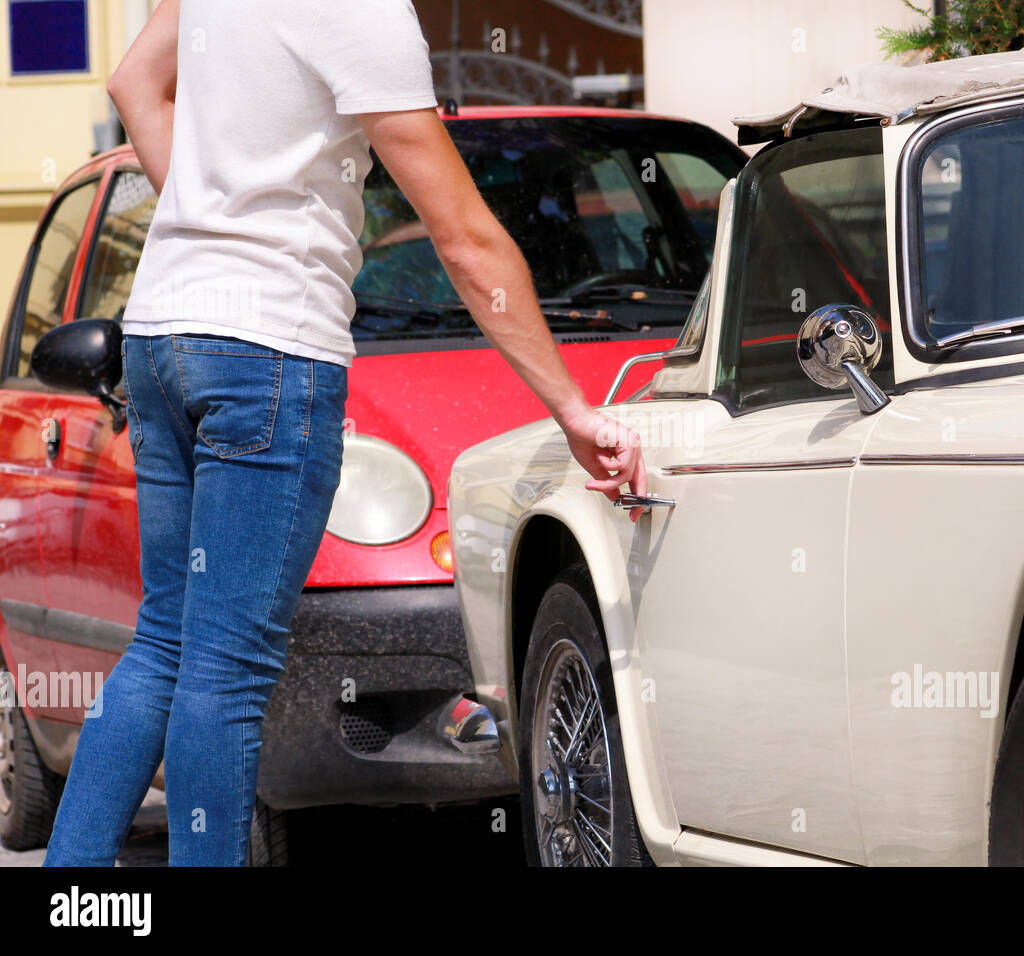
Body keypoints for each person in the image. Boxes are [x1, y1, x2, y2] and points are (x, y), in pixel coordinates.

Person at [42, 0, 646, 868]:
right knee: (225, 671)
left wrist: (214, 230)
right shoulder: (361, 12)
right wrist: (574, 410)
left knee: (166, 640)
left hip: (162, 332)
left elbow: (132, 81)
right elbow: (467, 238)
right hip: (267, 349)